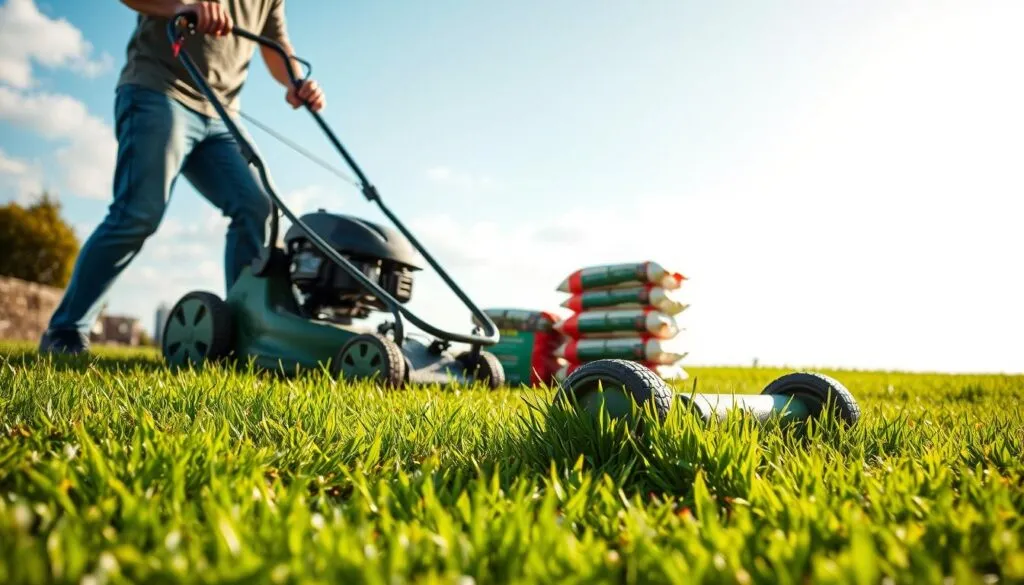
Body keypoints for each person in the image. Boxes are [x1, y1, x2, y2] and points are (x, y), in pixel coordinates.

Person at [39, 0, 325, 355]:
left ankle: (240, 337)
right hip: (159, 89)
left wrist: (297, 81)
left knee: (258, 206)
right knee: (138, 212)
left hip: (222, 114)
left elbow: (276, 45)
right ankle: (66, 330)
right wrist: (182, 5)